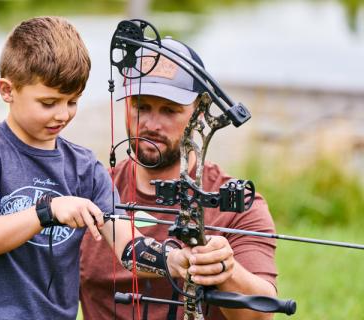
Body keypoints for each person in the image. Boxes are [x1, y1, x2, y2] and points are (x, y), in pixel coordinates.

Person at [0, 17, 215, 320]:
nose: (63, 114)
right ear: (8, 90)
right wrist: (48, 211)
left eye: (73, 101)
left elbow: (128, 245)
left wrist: (174, 259)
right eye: (49, 102)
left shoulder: (85, 167)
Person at [80, 38, 278, 320]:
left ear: (199, 112)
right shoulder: (91, 194)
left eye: (170, 110)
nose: (151, 125)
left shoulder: (238, 206)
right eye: (141, 107)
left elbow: (259, 314)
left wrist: (225, 271)